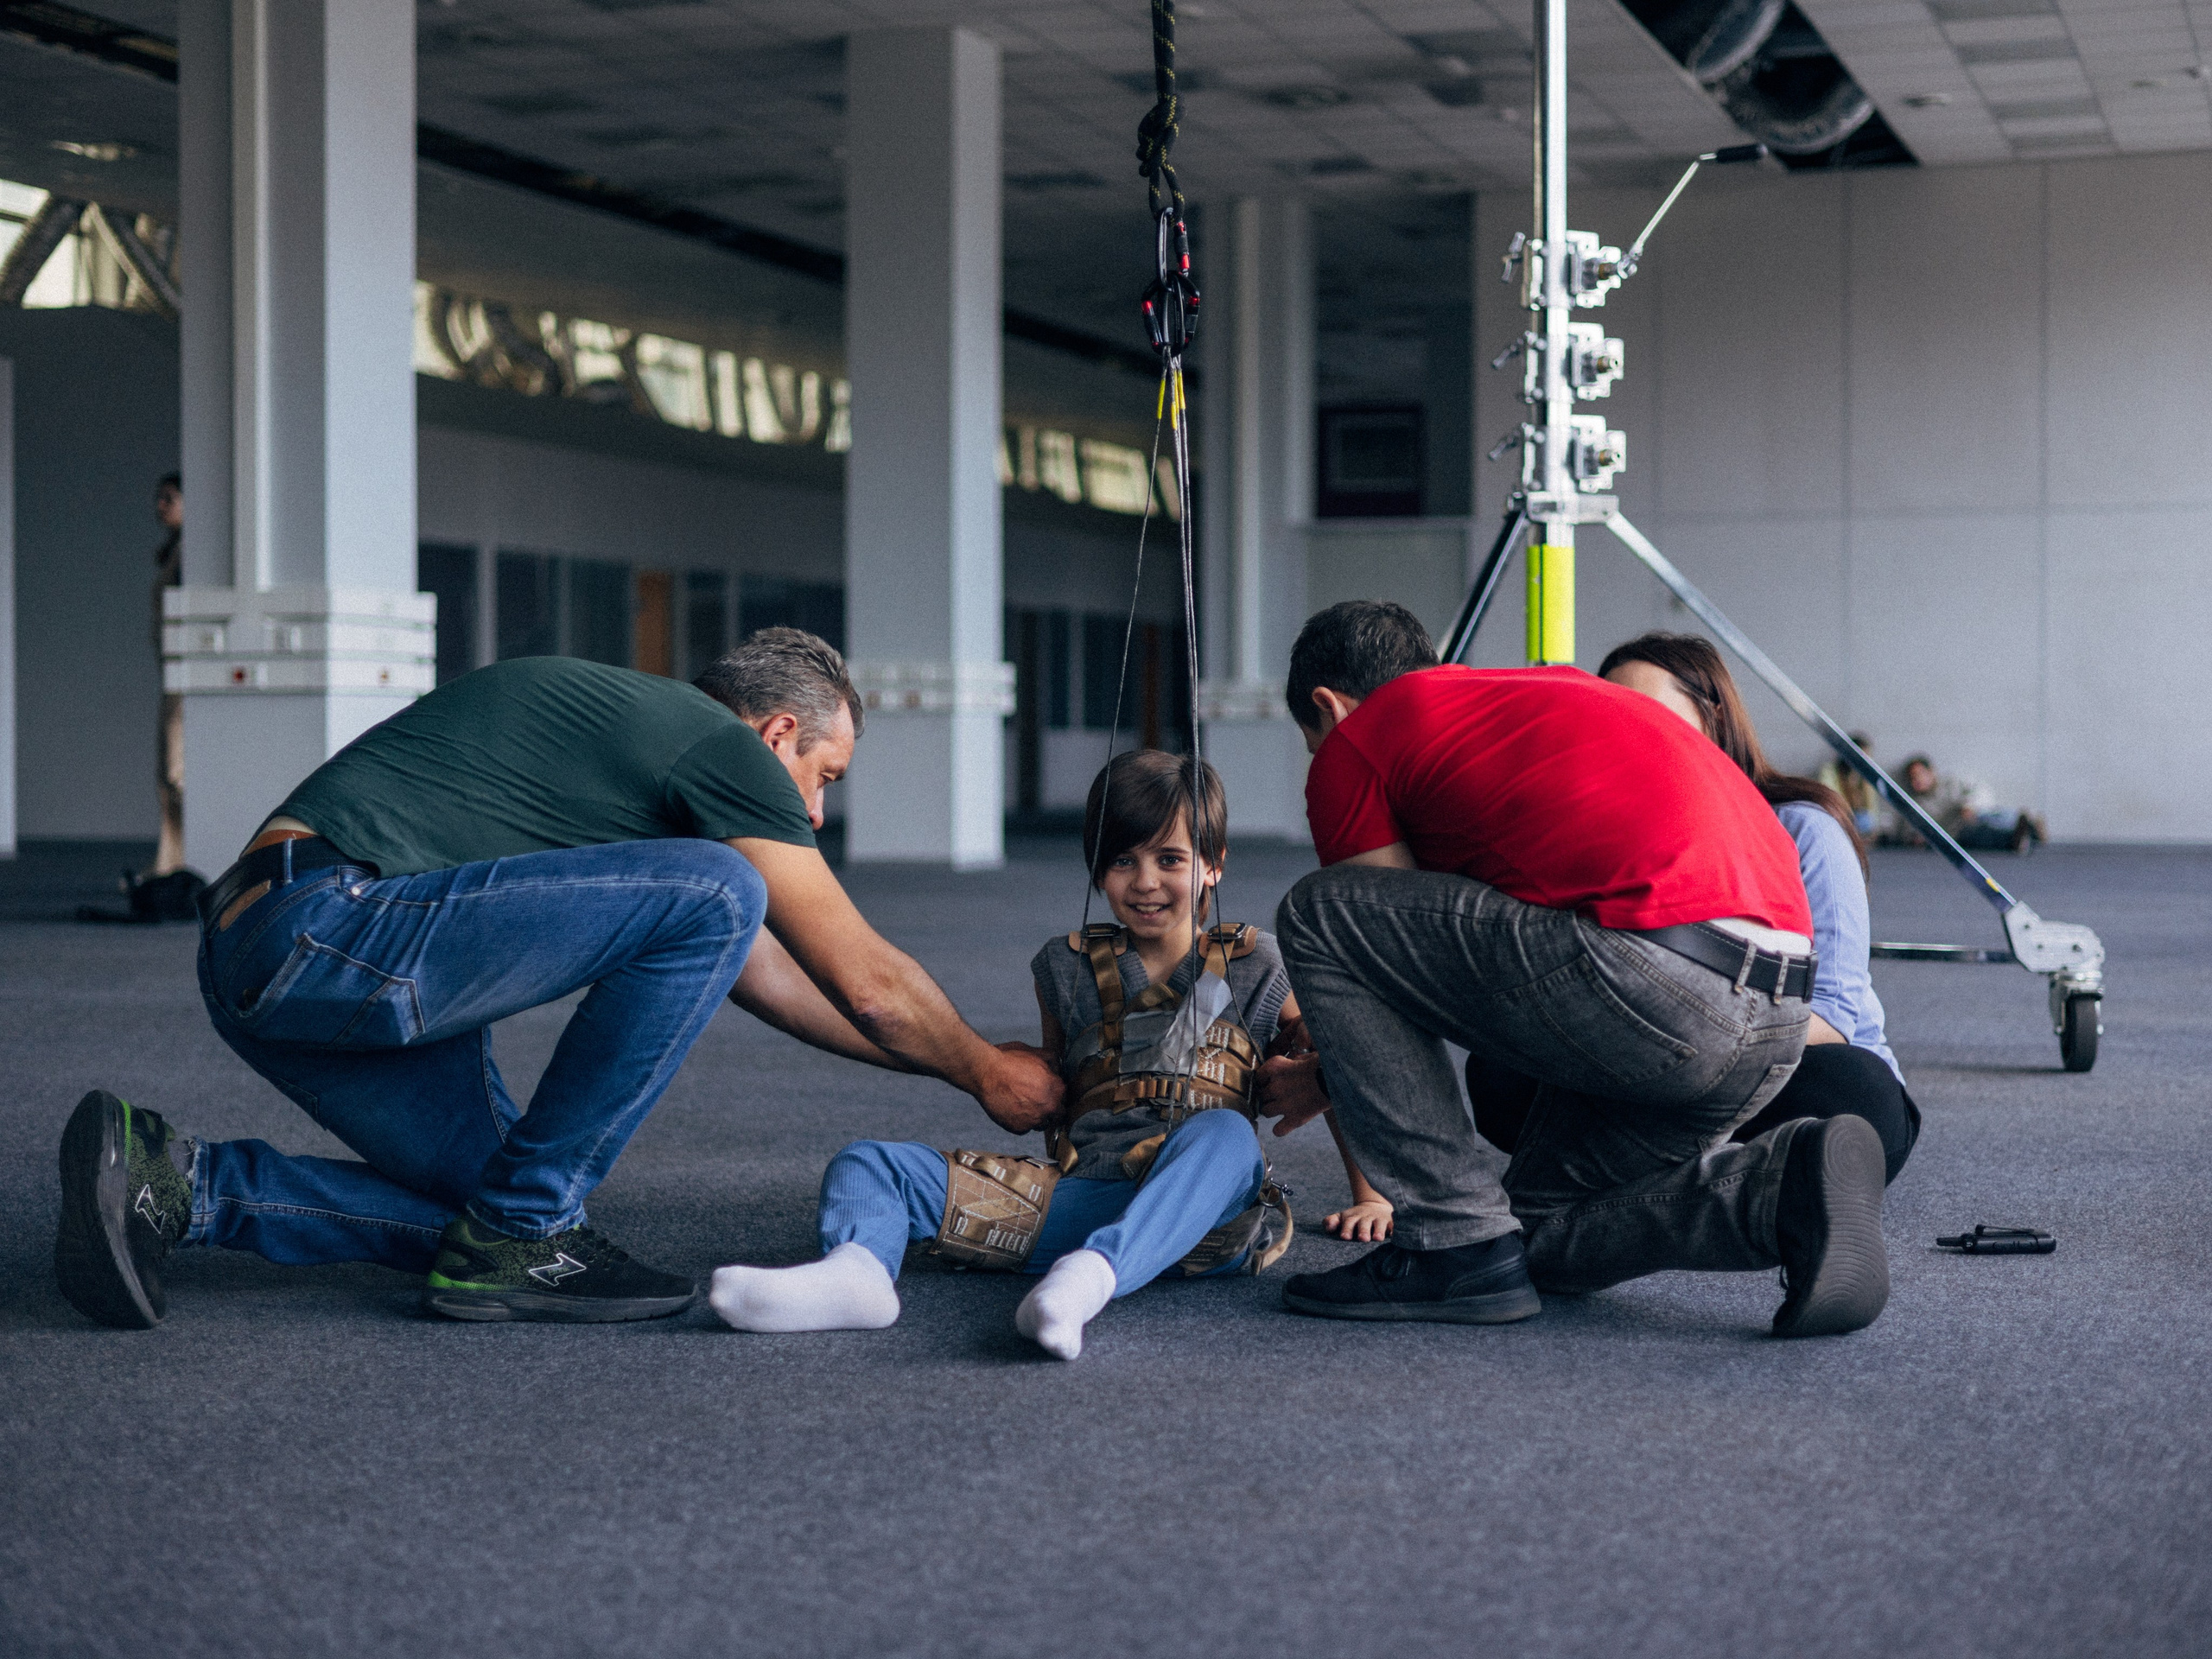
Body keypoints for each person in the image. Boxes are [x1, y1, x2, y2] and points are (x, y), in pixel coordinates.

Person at [53, 629, 1063, 1331]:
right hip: (330, 930)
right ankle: (524, 1230)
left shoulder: (637, 743)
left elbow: (780, 983)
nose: (815, 811)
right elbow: (866, 980)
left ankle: (176, 1184)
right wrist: (988, 1073)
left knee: (489, 1219)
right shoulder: (722, 750)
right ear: (777, 736)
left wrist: (954, 1067)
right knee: (719, 894)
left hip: (266, 950)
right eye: (823, 778)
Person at [1255, 601, 1890, 1340]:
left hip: (1661, 981)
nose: (1321, 762)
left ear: (1329, 707)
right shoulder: (1535, 703)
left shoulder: (1360, 737)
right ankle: (1780, 1190)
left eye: (1312, 743)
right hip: (1776, 1017)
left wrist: (1330, 1074)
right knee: (1533, 1237)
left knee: (1319, 911)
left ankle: (1449, 1237)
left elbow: (1383, 962)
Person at [708, 750, 1391, 1359]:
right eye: (1122, 861)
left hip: (1206, 1216)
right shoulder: (1064, 968)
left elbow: (1332, 1069)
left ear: (1213, 865)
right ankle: (858, 1274)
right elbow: (1058, 1096)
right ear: (1097, 869)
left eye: (1170, 859)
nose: (1145, 881)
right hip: (1086, 1198)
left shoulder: (1257, 962)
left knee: (1226, 1136)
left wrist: (1369, 1193)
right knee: (869, 1163)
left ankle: (1089, 1280)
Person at [1592, 635, 1918, 1182]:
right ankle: (1709, 1179)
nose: (1634, 738)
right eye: (1615, 720)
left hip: (1788, 1063)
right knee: (1502, 1078)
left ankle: (1682, 1172)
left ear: (1714, 719)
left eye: (1654, 717)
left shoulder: (1804, 827)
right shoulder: (1606, 837)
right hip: (1662, 1064)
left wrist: (1692, 1049)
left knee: (1856, 1099)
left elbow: (1834, 1015)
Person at [1892, 754, 2044, 853]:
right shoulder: (1917, 804)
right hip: (1958, 832)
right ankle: (2019, 838)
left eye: (1919, 775)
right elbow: (1909, 832)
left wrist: (1969, 806)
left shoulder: (1952, 782)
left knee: (1988, 814)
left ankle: (2027, 823)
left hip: (1976, 814)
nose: (1917, 781)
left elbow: (1980, 791)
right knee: (1979, 834)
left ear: (1931, 771)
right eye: (1912, 779)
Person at [150, 471, 185, 876]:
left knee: (176, 770)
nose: (160, 506)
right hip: (170, 670)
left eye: (169, 498)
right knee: (167, 772)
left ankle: (180, 865)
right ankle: (169, 862)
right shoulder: (173, 552)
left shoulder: (190, 553)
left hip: (183, 674)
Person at [1816, 732, 1888, 841]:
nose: (1865, 761)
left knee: (1866, 819)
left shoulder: (1867, 776)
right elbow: (1829, 798)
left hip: (1861, 824)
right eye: (1861, 756)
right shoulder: (1830, 771)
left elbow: (1872, 807)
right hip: (1838, 818)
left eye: (1867, 756)